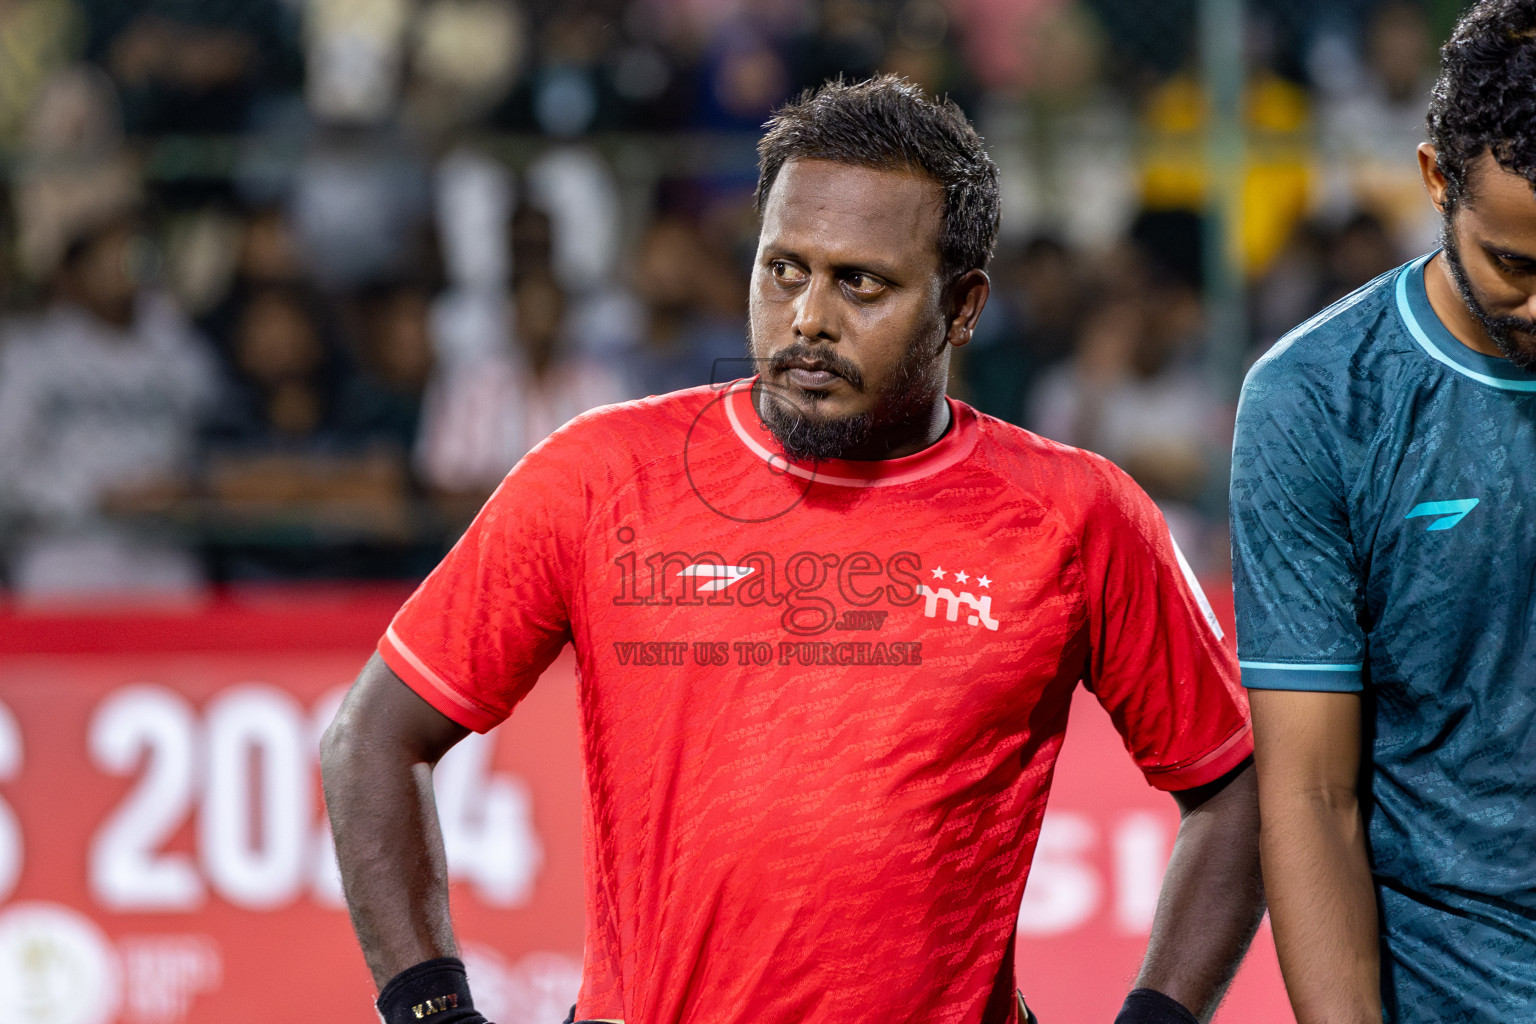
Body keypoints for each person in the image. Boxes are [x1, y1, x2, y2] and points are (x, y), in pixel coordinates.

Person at [322, 76, 1263, 1024]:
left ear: (964, 305)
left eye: (862, 283)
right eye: (784, 270)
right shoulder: (600, 476)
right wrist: (431, 1011)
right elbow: (371, 739)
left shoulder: (1080, 515)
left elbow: (1238, 790)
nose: (810, 317)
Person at [1230, 3, 1536, 1021]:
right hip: (1447, 985)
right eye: (1518, 268)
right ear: (1436, 182)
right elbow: (1311, 798)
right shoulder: (1319, 400)